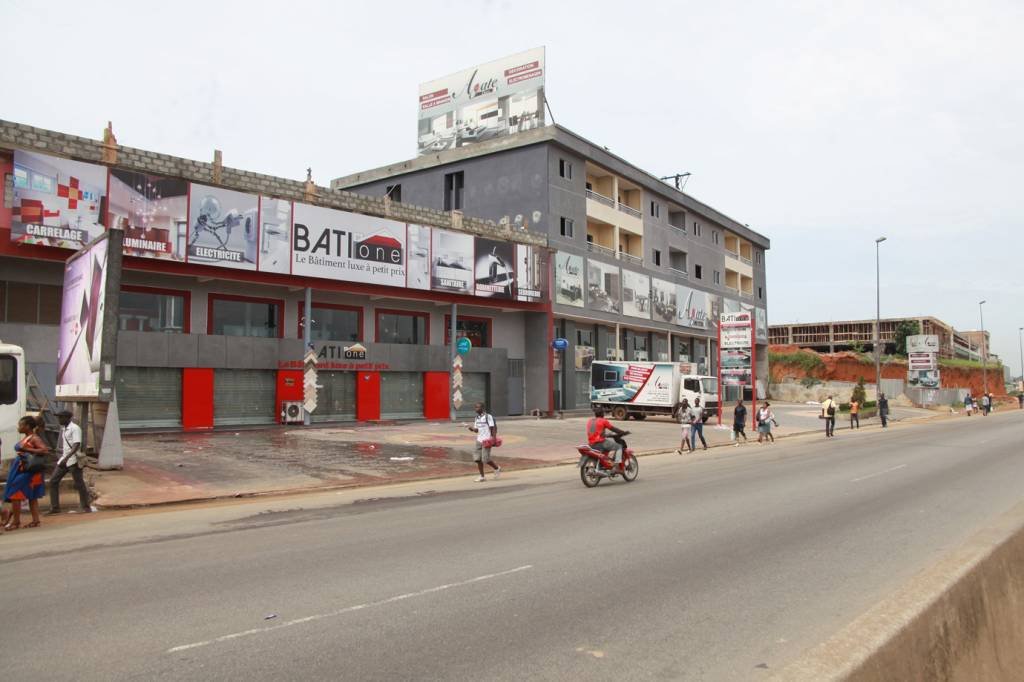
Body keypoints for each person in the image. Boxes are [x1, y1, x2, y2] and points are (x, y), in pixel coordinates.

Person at [3, 416, 48, 530]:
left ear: (27, 426)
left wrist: (27, 450)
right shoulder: (28, 437)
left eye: (21, 425)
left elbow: (44, 450)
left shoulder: (33, 438)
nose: (19, 427)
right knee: (32, 496)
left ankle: (16, 522)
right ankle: (35, 521)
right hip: (23, 469)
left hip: (29, 471)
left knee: (15, 493)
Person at [46, 410, 91, 515]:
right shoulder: (64, 429)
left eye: (61, 417)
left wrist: (66, 458)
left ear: (67, 418)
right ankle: (55, 507)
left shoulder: (75, 428)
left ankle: (85, 506)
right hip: (64, 459)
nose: (59, 419)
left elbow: (76, 444)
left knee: (79, 484)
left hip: (73, 460)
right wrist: (64, 458)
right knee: (53, 481)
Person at [467, 402, 501, 482]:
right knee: (477, 459)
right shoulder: (476, 418)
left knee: (485, 459)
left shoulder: (488, 417)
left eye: (478, 407)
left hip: (487, 440)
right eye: (475, 407)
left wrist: (493, 438)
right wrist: (470, 428)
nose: (476, 409)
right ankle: (482, 476)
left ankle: (497, 468)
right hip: (479, 440)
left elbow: (493, 428)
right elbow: (476, 430)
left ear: (482, 408)